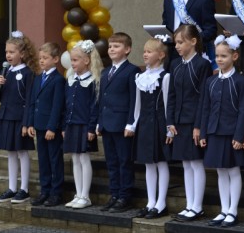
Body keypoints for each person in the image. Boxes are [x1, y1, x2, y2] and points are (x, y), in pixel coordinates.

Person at [199, 34, 244, 228]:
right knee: (221, 171)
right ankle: (224, 209)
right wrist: (203, 133)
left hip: (231, 133)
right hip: (214, 132)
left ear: (234, 57)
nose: (219, 59)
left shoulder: (241, 81)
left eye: (224, 56)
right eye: (217, 56)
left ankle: (233, 210)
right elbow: (205, 108)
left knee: (233, 170)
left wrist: (239, 135)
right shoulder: (210, 82)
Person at [167, 24, 212, 221]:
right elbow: (172, 94)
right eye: (175, 42)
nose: (176, 46)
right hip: (179, 121)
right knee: (186, 164)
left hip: (194, 121)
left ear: (193, 42)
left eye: (180, 42)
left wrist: (198, 125)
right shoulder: (175, 64)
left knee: (196, 163)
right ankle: (189, 204)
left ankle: (197, 206)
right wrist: (170, 121)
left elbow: (204, 97)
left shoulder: (202, 65)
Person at [0, 30, 38, 204]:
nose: (8, 55)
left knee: (22, 151)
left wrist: (27, 122)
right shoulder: (6, 71)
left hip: (20, 118)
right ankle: (12, 188)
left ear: (23, 53)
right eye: (6, 52)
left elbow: (29, 100)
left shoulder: (28, 73)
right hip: (6, 116)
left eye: (12, 52)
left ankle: (24, 189)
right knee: (10, 152)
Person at [97, 32, 141, 213]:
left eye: (116, 46)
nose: (112, 49)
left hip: (123, 124)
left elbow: (134, 100)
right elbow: (102, 99)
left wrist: (131, 123)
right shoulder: (106, 71)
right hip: (107, 123)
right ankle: (114, 194)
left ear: (127, 49)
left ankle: (125, 196)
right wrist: (99, 122)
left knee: (124, 161)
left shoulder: (132, 71)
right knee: (112, 162)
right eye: (110, 46)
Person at [129, 37, 172, 219]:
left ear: (161, 55)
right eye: (144, 51)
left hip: (160, 124)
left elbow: (167, 102)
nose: (145, 54)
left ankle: (161, 203)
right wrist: (132, 124)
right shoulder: (140, 77)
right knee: (148, 164)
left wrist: (169, 129)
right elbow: (137, 105)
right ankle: (150, 201)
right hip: (145, 124)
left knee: (161, 162)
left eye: (149, 51)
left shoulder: (165, 77)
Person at [63, 40, 102, 209]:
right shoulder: (71, 80)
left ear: (86, 61)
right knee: (75, 159)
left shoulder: (93, 81)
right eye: (71, 60)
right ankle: (78, 193)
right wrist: (65, 126)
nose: (72, 64)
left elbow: (94, 107)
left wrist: (91, 127)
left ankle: (85, 196)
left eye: (75, 60)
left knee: (84, 159)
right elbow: (66, 105)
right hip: (72, 125)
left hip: (84, 125)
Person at [27, 42, 65, 207]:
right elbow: (32, 102)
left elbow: (57, 106)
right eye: (40, 58)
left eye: (45, 58)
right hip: (39, 125)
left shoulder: (58, 80)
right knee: (43, 160)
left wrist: (52, 127)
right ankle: (45, 190)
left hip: (51, 128)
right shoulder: (37, 78)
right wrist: (29, 123)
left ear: (55, 59)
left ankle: (56, 193)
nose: (41, 61)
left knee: (54, 160)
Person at [162, 0, 217, 68]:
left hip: (195, 56)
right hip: (172, 56)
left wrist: (190, 42)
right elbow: (166, 26)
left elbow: (211, 30)